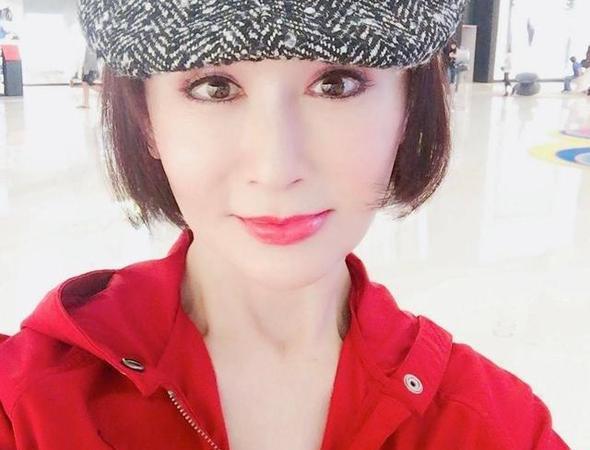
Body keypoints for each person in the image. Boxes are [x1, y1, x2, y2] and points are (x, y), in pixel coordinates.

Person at [0, 1, 570, 449]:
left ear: (407, 110)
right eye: (215, 87)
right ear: (147, 122)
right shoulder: (28, 407)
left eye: (337, 84)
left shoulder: (491, 425)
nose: (276, 169)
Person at [75, 44, 101, 108]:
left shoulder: (92, 46)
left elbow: (90, 59)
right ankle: (86, 103)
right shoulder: (90, 45)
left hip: (90, 69)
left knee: (88, 84)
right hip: (89, 69)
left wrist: (86, 70)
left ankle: (106, 92)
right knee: (85, 83)